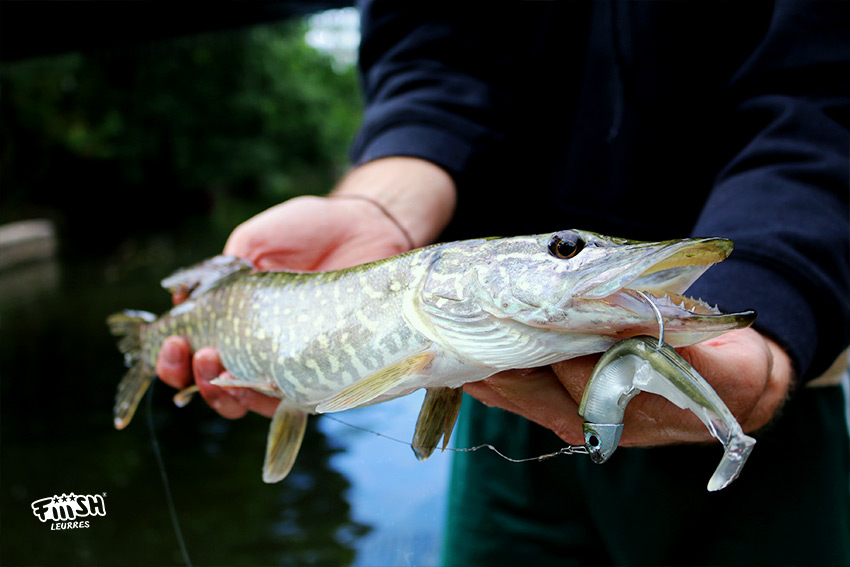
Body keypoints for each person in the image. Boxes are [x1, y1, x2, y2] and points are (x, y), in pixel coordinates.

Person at [156, 1, 850, 564]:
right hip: (501, 398)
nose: (574, 253)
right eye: (566, 249)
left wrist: (777, 285)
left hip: (778, 375)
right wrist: (379, 207)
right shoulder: (464, 320)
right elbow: (434, 51)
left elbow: (824, 94)